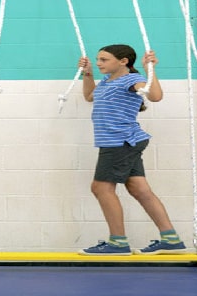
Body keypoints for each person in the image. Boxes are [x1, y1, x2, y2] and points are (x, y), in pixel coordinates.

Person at [77, 44, 187, 256]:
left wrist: (150, 69)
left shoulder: (131, 80)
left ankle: (118, 243)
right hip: (122, 142)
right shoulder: (107, 81)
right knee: (139, 189)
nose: (99, 63)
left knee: (100, 188)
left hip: (120, 142)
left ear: (123, 61)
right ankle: (171, 240)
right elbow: (89, 96)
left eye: (103, 59)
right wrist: (88, 74)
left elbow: (155, 96)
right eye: (98, 59)